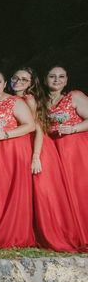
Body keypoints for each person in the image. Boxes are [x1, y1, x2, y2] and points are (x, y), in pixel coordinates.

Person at [10, 67, 82, 252]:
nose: (19, 82)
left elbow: (39, 128)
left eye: (25, 80)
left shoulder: (30, 99)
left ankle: (58, 233)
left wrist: (36, 156)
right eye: (16, 78)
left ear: (32, 83)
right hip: (34, 148)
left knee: (46, 193)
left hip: (43, 148)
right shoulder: (20, 100)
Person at [0, 70, 36, 248]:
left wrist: (6, 134)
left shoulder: (15, 101)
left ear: (5, 84)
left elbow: (30, 126)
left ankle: (14, 233)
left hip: (13, 149)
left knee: (12, 189)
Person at [44, 65, 88, 235]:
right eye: (52, 76)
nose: (57, 80)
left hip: (75, 147)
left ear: (67, 80)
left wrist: (74, 128)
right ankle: (68, 229)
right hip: (54, 149)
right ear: (46, 79)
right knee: (62, 190)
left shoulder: (74, 96)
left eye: (61, 76)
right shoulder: (43, 102)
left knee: (79, 187)